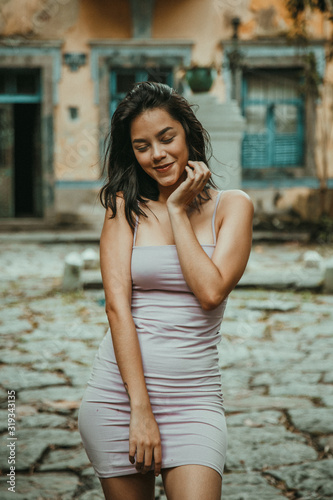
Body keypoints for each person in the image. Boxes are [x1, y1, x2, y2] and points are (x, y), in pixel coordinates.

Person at [78, 81, 253, 500]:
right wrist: (140, 409)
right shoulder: (124, 207)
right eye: (141, 146)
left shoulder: (233, 207)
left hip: (194, 402)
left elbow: (210, 291)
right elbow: (117, 309)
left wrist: (176, 209)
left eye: (166, 138)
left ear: (188, 133)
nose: (156, 154)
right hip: (120, 399)